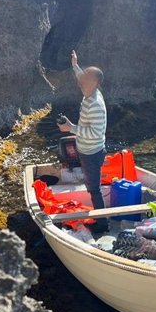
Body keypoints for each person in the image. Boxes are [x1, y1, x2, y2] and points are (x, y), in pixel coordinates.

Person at [57, 50, 108, 232]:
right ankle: (99, 216)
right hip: (87, 150)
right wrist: (75, 64)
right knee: (91, 183)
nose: (80, 81)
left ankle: (102, 224)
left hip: (91, 153)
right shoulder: (90, 90)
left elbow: (95, 133)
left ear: (93, 83)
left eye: (84, 78)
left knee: (94, 189)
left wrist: (71, 128)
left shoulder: (95, 104)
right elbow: (82, 76)